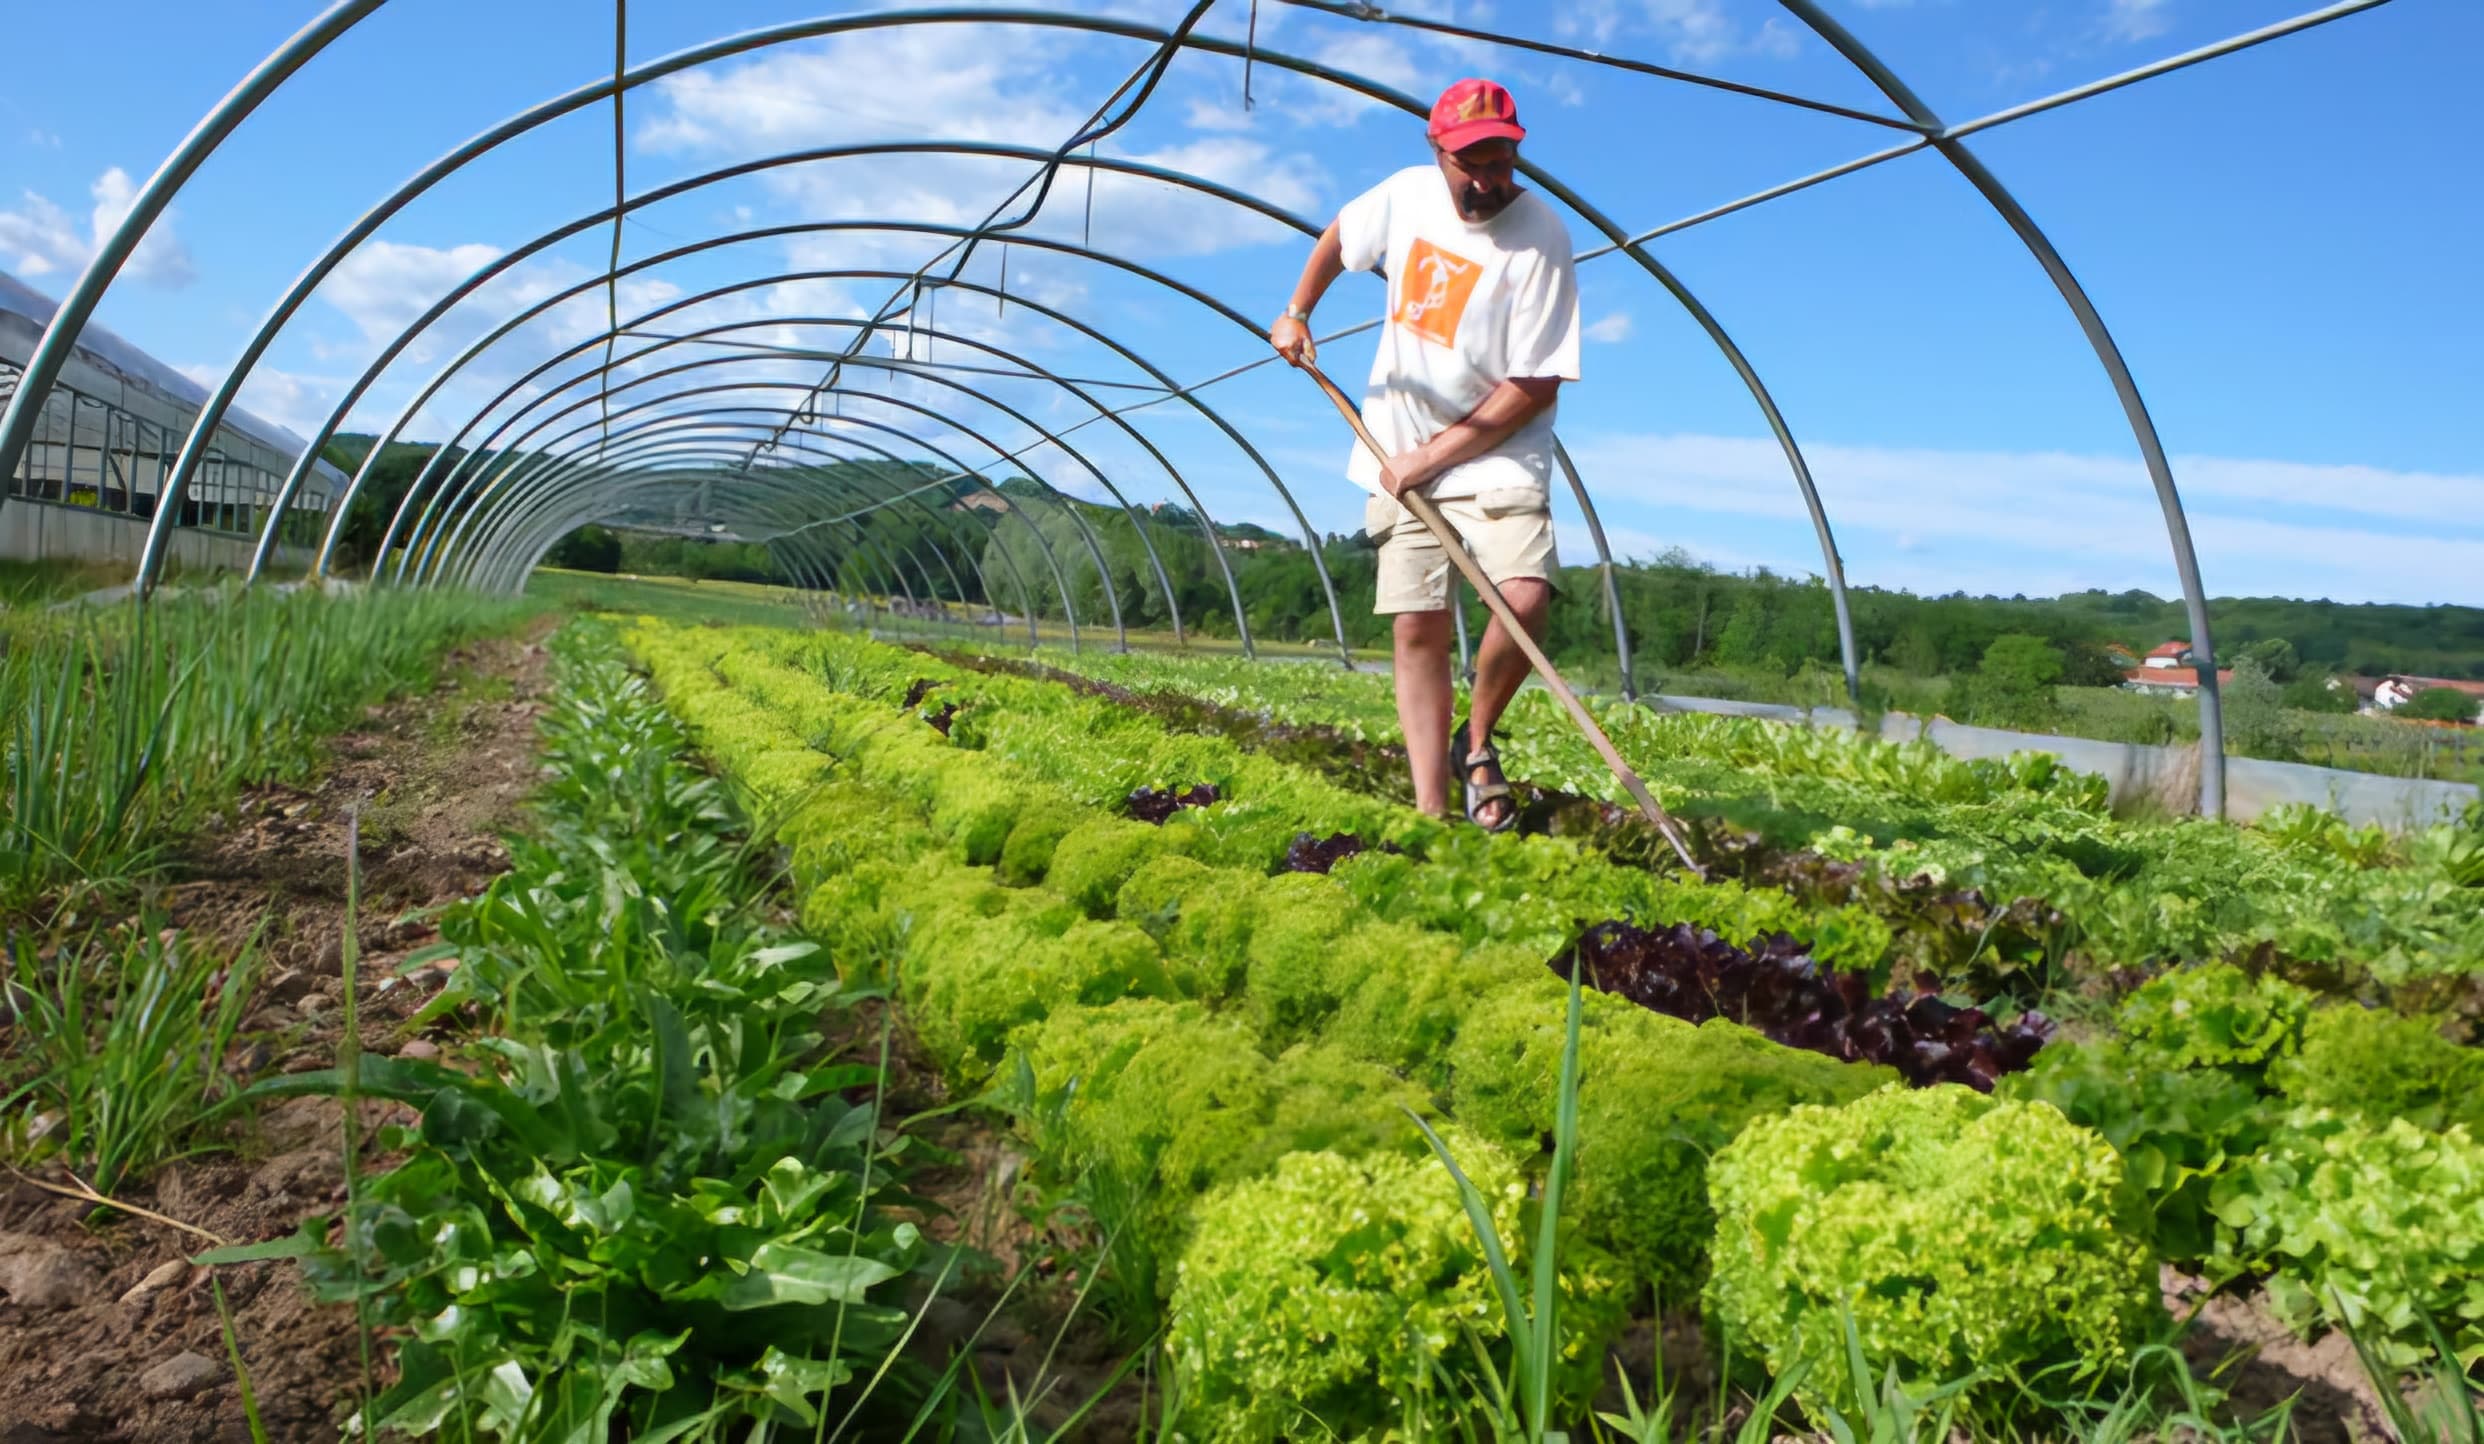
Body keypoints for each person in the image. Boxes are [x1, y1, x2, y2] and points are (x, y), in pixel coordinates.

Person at [1270, 77, 1581, 833]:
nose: (1487, 179)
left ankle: (1474, 743)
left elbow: (1533, 386)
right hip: (1398, 439)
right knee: (1417, 624)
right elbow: (1341, 238)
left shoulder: (1543, 238)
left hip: (1494, 447)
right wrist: (1296, 311)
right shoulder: (1406, 195)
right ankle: (1431, 810)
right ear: (1437, 151)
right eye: (1469, 162)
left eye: (1500, 160)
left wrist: (1436, 457)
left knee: (1524, 595)